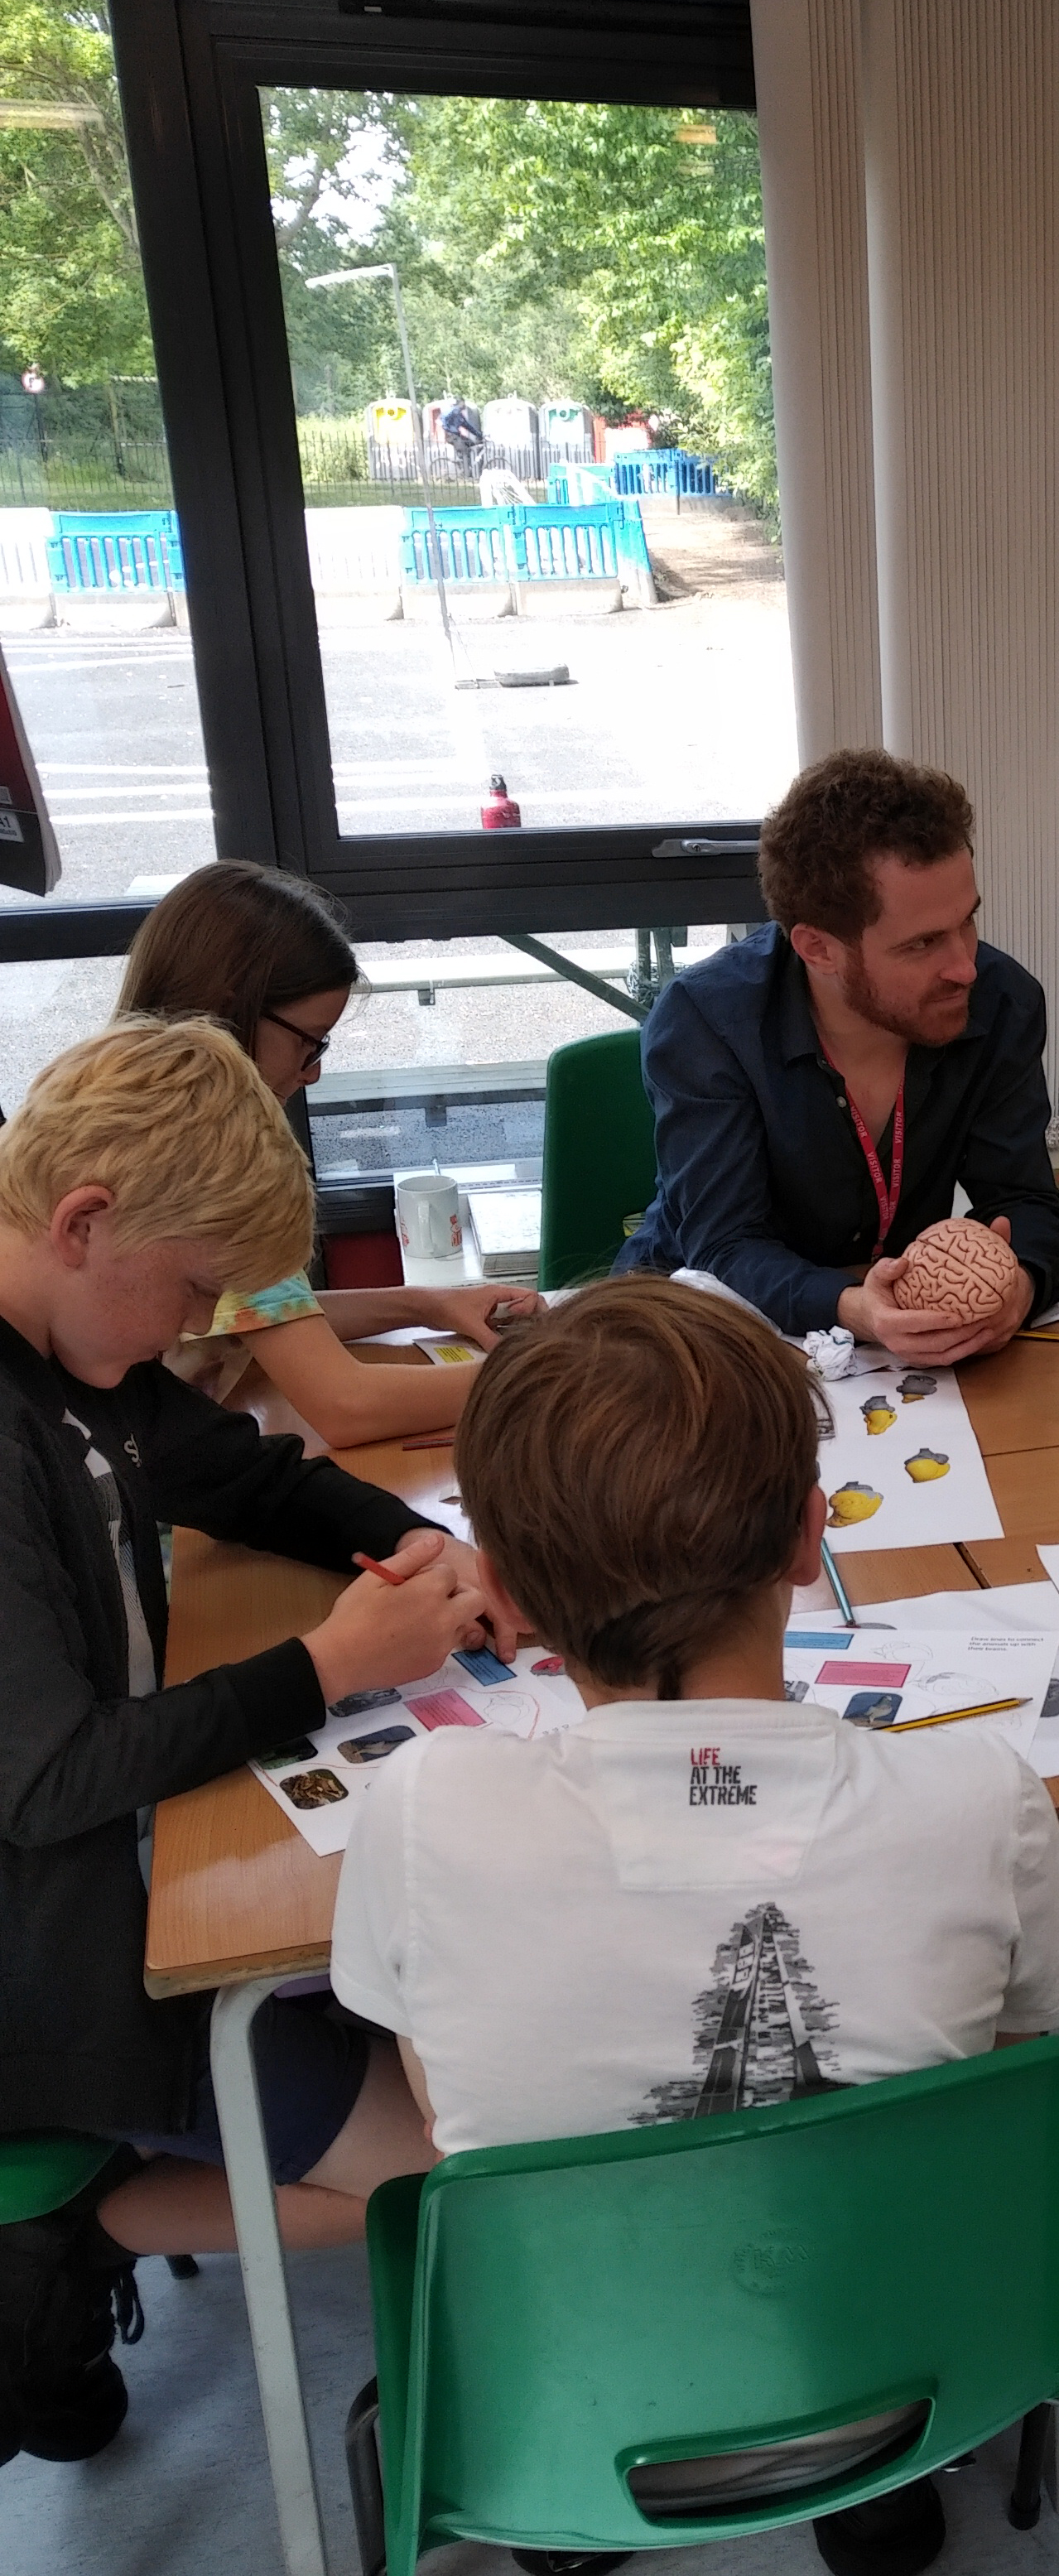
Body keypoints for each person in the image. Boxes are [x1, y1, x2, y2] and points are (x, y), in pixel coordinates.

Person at [330, 1276, 1059, 2576]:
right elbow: (1018, 2055)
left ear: (503, 1587)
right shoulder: (983, 1798)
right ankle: (865, 2487)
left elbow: (439, 2090)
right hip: (926, 2374)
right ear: (808, 1535)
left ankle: (604, 2506)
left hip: (557, 2416)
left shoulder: (423, 1808)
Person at [0, 1022, 498, 2472]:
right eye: (193, 1286)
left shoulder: (70, 1346)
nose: (198, 1322)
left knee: (436, 1991)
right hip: (53, 1971)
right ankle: (74, 2228)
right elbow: (45, 1779)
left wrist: (415, 1541)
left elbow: (236, 1471)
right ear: (89, 1221)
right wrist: (328, 1664)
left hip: (112, 1878)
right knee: (459, 2165)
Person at [616, 750, 1059, 1361]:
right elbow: (725, 1246)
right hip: (701, 1327)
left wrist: (1022, 1284)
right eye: (922, 944)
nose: (965, 965)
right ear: (818, 949)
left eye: (967, 921)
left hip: (894, 1344)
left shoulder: (1003, 1002)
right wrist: (855, 1306)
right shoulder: (706, 1023)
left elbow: (1025, 1203)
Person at [117, 860, 540, 1447]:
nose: (312, 1073)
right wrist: (546, 1375)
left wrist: (429, 1304)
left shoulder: (123, 1101)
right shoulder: (205, 1161)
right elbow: (347, 1406)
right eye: (308, 1042)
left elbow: (259, 1314)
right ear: (230, 1005)